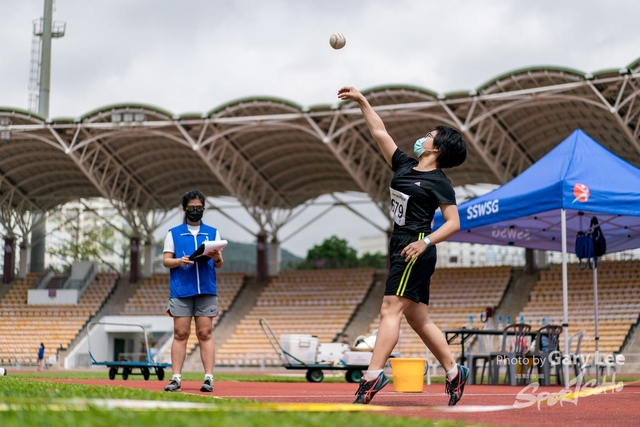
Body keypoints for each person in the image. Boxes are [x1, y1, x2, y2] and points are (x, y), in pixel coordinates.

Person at [337, 86, 469, 406]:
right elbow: (380, 132)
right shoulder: (404, 165)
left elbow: (453, 223)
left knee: (389, 309)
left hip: (415, 247)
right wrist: (363, 102)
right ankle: (454, 372)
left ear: (437, 148)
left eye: (428, 135)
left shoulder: (439, 182)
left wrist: (424, 243)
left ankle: (372, 375)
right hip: (399, 244)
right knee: (418, 319)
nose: (422, 137)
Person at [163, 189, 224, 392]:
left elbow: (219, 263)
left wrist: (216, 257)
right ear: (185, 209)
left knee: (205, 333)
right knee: (180, 333)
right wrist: (179, 261)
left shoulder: (213, 232)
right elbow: (166, 261)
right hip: (181, 289)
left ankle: (208, 378)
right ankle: (176, 378)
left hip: (206, 288)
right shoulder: (174, 233)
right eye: (192, 208)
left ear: (204, 209)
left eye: (199, 208)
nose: (196, 211)